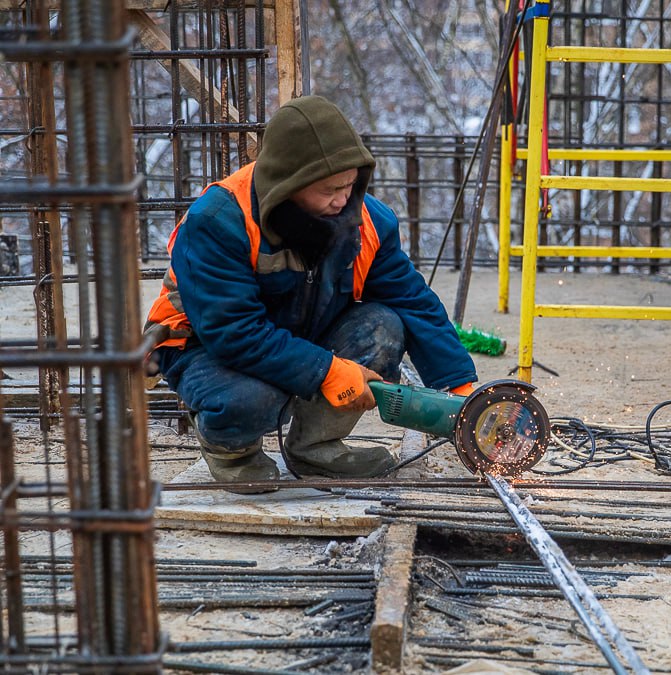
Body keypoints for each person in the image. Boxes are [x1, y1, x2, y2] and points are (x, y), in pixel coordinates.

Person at [144, 95, 477, 493]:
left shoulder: (368, 221)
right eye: (329, 190)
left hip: (298, 333)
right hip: (205, 346)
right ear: (289, 185)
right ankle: (232, 451)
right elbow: (233, 332)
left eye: (350, 185)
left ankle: (315, 447)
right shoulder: (217, 222)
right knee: (252, 398)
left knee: (383, 326)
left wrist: (462, 389)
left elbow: (412, 301)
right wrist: (328, 370)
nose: (343, 200)